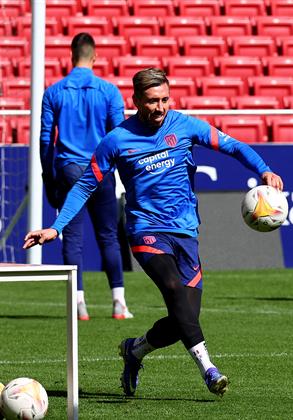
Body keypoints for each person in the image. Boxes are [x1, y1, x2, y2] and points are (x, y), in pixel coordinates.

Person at [24, 68, 283, 397]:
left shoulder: (185, 125)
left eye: (164, 99)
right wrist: (55, 227)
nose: (160, 107)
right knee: (173, 289)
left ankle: (135, 351)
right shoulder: (117, 139)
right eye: (151, 101)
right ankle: (209, 369)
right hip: (145, 231)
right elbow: (85, 186)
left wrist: (264, 169)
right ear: (135, 101)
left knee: (182, 319)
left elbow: (233, 146)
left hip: (186, 232)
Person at [39, 32, 133, 321]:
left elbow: (46, 140)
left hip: (68, 170)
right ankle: (118, 302)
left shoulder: (54, 92)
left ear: (71, 56)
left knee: (73, 239)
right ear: (94, 57)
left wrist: (49, 175)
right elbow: (120, 135)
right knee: (108, 237)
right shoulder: (109, 91)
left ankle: (79, 304)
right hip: (99, 169)